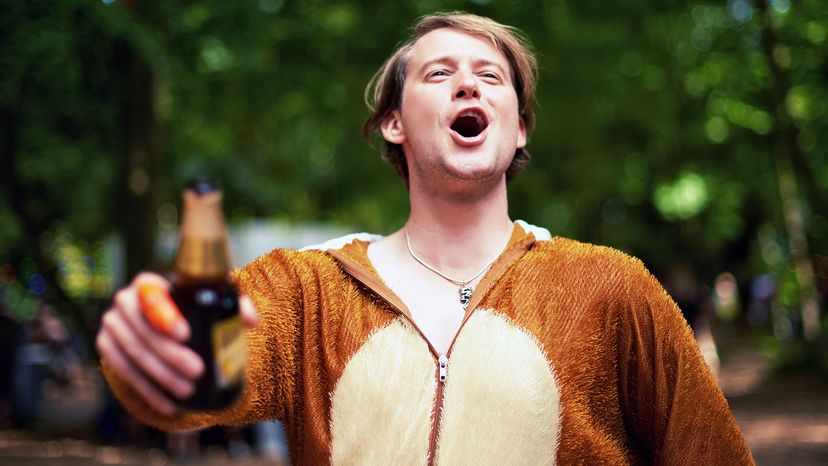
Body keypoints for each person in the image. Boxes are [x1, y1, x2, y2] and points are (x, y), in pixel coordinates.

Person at [97, 12, 754, 465]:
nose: (468, 81)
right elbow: (195, 376)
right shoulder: (306, 291)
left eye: (491, 76)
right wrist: (152, 357)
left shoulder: (612, 287)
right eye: (438, 74)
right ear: (392, 123)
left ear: (519, 128)